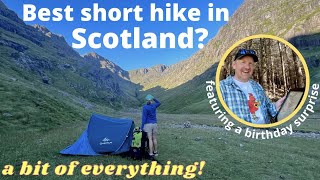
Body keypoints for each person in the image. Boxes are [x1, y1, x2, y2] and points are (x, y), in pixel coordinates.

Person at [220, 49, 286, 124]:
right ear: (234, 65)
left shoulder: (257, 86)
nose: (247, 67)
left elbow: (268, 108)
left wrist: (276, 106)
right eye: (243, 62)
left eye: (250, 63)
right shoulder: (222, 88)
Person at [141, 94, 161, 158]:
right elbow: (159, 102)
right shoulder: (154, 106)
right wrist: (153, 98)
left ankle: (151, 153)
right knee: (154, 138)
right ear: (151, 100)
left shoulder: (145, 107)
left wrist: (142, 127)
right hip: (154, 124)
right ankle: (156, 152)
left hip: (148, 124)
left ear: (146, 101)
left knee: (150, 139)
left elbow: (144, 118)